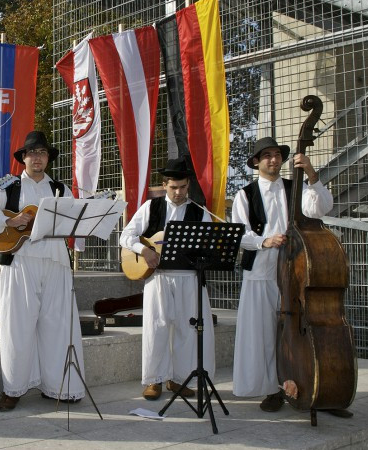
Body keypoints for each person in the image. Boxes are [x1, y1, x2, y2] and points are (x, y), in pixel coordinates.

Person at [231, 136, 350, 417]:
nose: (273, 160)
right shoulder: (244, 194)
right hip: (261, 271)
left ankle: (317, 386)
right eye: (267, 155)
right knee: (262, 333)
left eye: (277, 155)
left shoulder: (294, 187)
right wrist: (264, 241)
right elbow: (239, 234)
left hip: (297, 271)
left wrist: (311, 174)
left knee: (302, 332)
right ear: (257, 162)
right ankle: (273, 388)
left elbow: (321, 208)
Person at [0, 130, 85, 411]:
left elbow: (77, 221)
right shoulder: (8, 188)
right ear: (23, 158)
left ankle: (60, 385)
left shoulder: (61, 189)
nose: (37, 157)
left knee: (59, 325)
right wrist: (9, 221)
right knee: (18, 325)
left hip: (55, 260)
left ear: (48, 158)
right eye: (32, 153)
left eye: (42, 153)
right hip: (20, 260)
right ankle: (13, 389)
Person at [120, 157, 213, 401]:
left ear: (188, 185)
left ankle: (179, 379)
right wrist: (144, 250)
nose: (179, 192)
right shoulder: (152, 207)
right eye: (174, 187)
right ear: (165, 185)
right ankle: (154, 380)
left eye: (183, 187)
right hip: (158, 277)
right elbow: (126, 235)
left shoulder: (199, 212)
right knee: (157, 327)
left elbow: (210, 246)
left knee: (187, 329)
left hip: (188, 277)